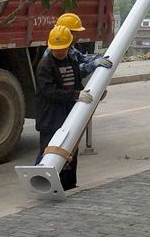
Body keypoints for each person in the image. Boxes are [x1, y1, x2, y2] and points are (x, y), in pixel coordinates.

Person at [35, 24, 104, 190]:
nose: (59, 52)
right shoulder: (45, 66)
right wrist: (75, 95)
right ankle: (46, 186)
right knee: (50, 151)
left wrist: (85, 93)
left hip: (68, 115)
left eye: (63, 48)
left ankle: (69, 185)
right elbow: (49, 91)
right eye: (56, 49)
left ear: (68, 46)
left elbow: (77, 84)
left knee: (70, 153)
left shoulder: (72, 61)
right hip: (50, 118)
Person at [42, 12, 112, 76]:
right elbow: (72, 71)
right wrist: (91, 65)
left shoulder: (70, 49)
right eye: (76, 33)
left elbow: (83, 58)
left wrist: (97, 58)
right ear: (68, 33)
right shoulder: (54, 52)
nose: (78, 36)